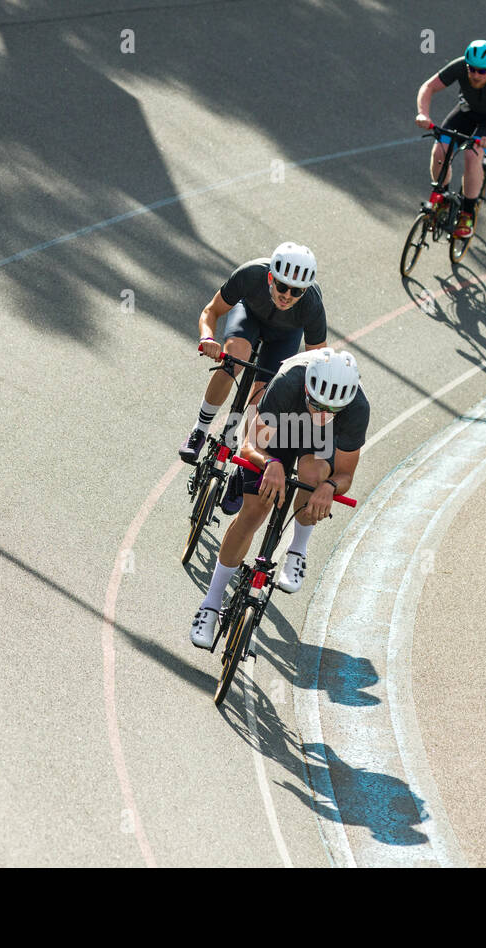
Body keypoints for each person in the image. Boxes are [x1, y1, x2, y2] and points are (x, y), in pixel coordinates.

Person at [189, 348, 369, 650]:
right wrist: (270, 463)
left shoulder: (357, 407)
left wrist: (330, 487)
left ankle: (297, 549)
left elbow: (345, 474)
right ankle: (210, 603)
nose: (322, 414)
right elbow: (249, 446)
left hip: (318, 444)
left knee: (314, 481)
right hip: (274, 433)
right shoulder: (288, 382)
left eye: (331, 411)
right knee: (254, 512)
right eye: (317, 404)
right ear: (307, 389)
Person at [179, 243, 327, 512]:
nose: (287, 296)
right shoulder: (251, 274)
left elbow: (316, 362)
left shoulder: (312, 305)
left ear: (305, 290)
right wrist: (207, 337)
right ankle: (199, 430)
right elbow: (210, 311)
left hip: (284, 337)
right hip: (249, 317)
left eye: (296, 292)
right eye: (282, 286)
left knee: (263, 396)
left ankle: (244, 467)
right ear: (270, 277)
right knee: (233, 360)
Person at [414, 39, 486, 239]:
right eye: (472, 69)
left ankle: (467, 213)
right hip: (467, 110)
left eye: (482, 71)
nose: (475, 74)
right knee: (440, 150)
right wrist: (423, 114)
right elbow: (428, 87)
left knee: (472, 156)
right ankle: (443, 200)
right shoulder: (460, 66)